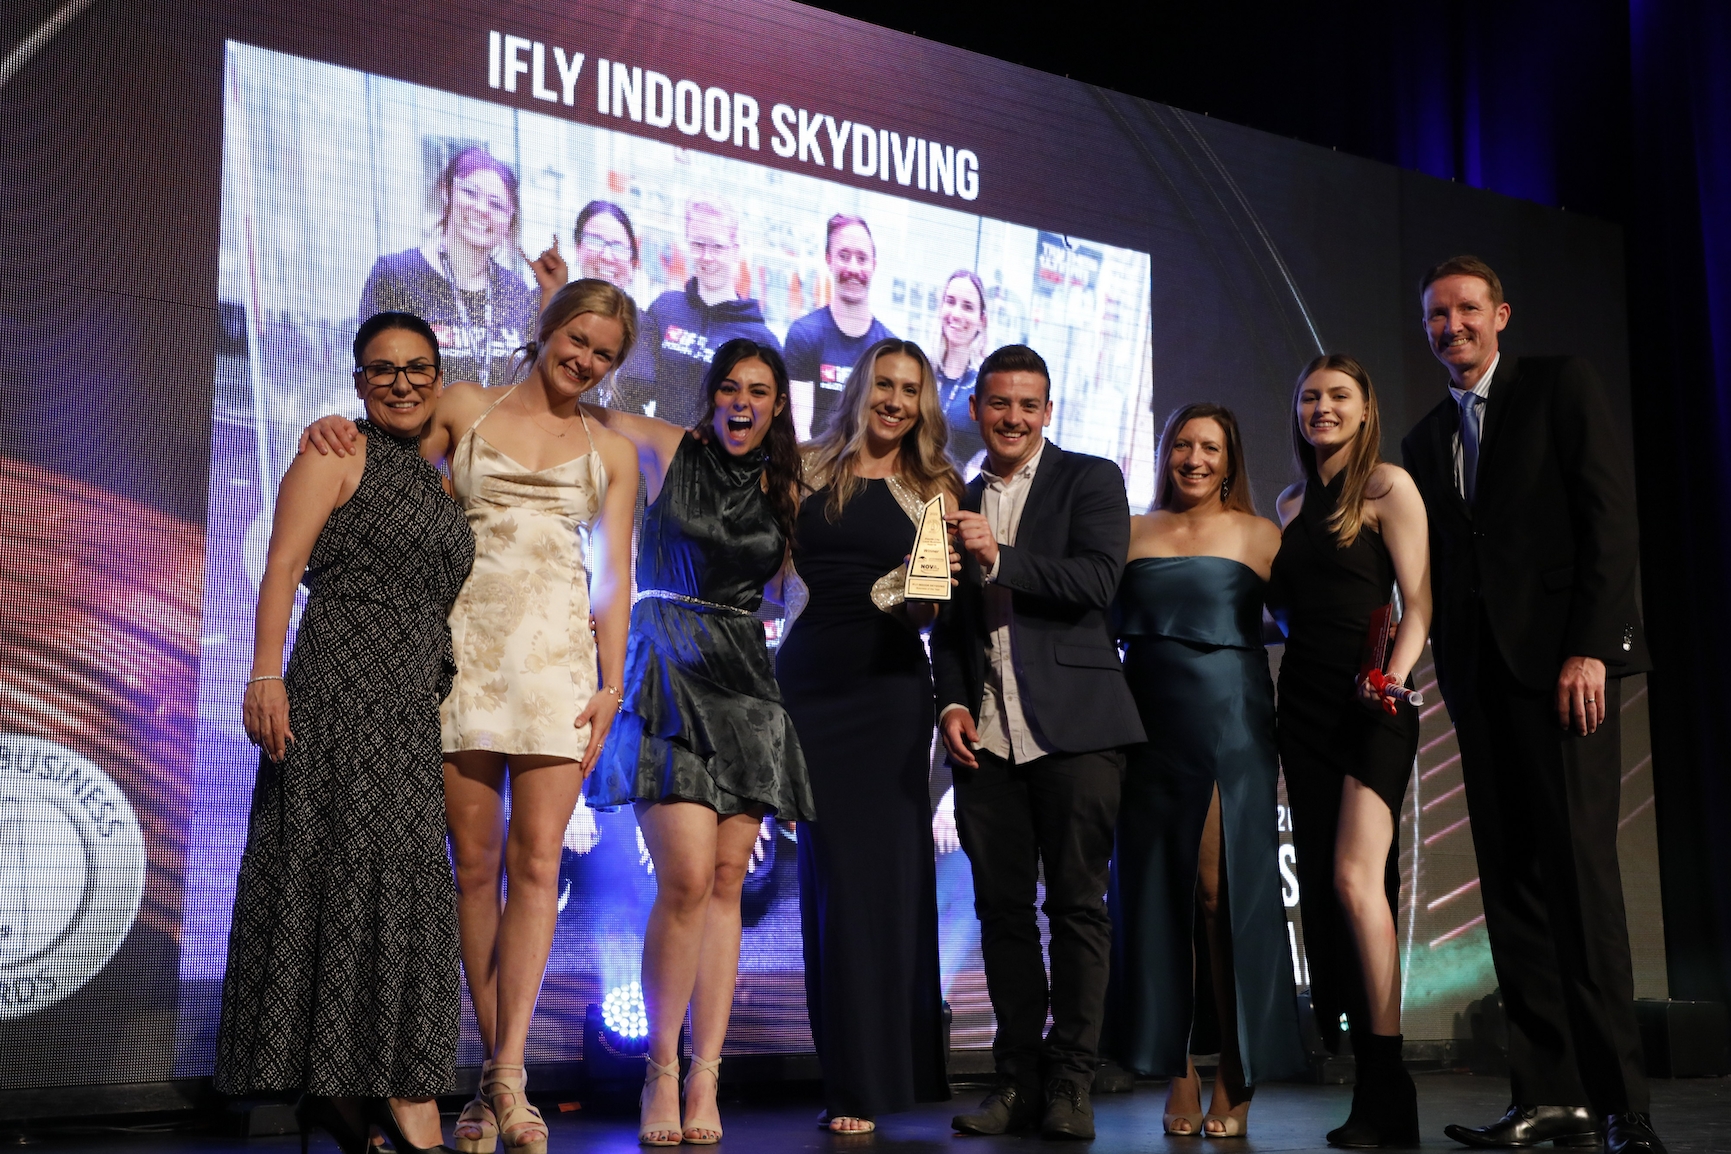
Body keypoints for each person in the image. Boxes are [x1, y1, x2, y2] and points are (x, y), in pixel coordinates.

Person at [300, 281, 641, 1154]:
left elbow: (613, 578)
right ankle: (484, 1077)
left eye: (604, 354)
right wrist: (337, 429)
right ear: (547, 329)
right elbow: (386, 478)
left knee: (538, 866)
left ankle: (508, 1079)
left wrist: (610, 687)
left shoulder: (610, 449)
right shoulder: (463, 406)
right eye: (576, 339)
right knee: (473, 870)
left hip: (558, 672)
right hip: (463, 661)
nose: (585, 361)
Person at [1401, 257, 1661, 1154]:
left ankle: (1622, 1107)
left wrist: (1592, 647)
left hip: (1565, 676)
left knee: (1581, 888)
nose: (1452, 327)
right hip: (1480, 688)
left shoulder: (1559, 386)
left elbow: (1608, 521)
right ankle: (1549, 1098)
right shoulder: (1425, 437)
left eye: (1466, 309)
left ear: (1500, 314)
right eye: (1436, 316)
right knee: (1510, 892)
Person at [217, 312, 475, 1154]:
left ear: (437, 376)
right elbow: (282, 569)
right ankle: (379, 1094)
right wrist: (264, 674)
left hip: (408, 705)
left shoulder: (439, 481)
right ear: (360, 381)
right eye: (382, 369)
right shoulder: (332, 452)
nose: (402, 382)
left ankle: (358, 1089)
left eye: (417, 367)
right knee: (335, 875)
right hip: (338, 690)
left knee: (400, 887)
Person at [580, 339, 814, 1146]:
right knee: (682, 878)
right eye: (730, 388)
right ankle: (660, 1068)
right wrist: (553, 313)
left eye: (759, 391)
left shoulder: (787, 484)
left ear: (777, 405)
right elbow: (580, 405)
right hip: (666, 667)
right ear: (712, 395)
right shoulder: (668, 447)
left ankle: (705, 1074)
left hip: (745, 681)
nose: (742, 402)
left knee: (723, 884)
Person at [933, 344, 1145, 1141]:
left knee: (1078, 908)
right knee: (1001, 913)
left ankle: (1071, 1083)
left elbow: (1096, 581)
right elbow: (948, 624)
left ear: (1047, 411)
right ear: (976, 409)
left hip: (1078, 729)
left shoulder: (1089, 479)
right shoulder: (953, 497)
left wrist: (1000, 556)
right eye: (998, 403)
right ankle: (1015, 1081)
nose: (1012, 418)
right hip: (987, 739)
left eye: (1027, 404)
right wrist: (951, 701)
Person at [1105, 403, 1309, 1138]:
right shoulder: (1130, 531)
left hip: (1232, 725)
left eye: (1210, 448)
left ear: (1229, 461)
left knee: (1224, 895)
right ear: (1166, 453)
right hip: (1145, 728)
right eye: (1183, 445)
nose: (1194, 459)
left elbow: (1305, 625)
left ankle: (1237, 1068)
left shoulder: (1261, 536)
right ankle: (1178, 1070)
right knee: (1158, 894)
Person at [777, 338, 964, 1133]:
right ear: (859, 387)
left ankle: (881, 1078)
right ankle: (847, 1077)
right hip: (809, 688)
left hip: (888, 694)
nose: (894, 399)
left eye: (909, 390)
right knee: (829, 885)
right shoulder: (805, 467)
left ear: (923, 404)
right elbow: (771, 571)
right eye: (883, 383)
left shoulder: (936, 487)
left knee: (881, 883)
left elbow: (933, 612)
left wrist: (921, 594)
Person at [1267, 353, 1431, 1148]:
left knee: (1354, 880)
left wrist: (1389, 678)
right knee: (1330, 896)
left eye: (1338, 396)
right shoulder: (1289, 503)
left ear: (1365, 409)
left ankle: (1386, 1083)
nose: (1321, 408)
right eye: (1309, 397)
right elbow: (1290, 613)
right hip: (1301, 708)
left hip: (1373, 702)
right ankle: (1368, 1083)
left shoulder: (1388, 487)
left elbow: (1419, 603)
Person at [359, 147, 539, 388]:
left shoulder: (515, 289)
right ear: (447, 192)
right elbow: (376, 375)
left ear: (509, 219)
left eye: (496, 205)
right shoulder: (396, 274)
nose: (482, 209)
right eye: (470, 193)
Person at [608, 199, 782, 427]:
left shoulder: (761, 339)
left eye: (717, 247)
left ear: (735, 250)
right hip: (662, 446)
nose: (707, 256)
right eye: (698, 244)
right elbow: (631, 392)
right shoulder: (665, 308)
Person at [784, 214, 897, 436]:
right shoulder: (804, 334)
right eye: (844, 256)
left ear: (874, 265)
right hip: (813, 457)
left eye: (862, 258)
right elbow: (800, 431)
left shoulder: (889, 349)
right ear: (829, 260)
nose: (853, 268)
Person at [933, 270, 989, 471]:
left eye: (967, 307)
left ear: (981, 321)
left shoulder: (986, 389)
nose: (956, 314)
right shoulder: (920, 373)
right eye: (950, 302)